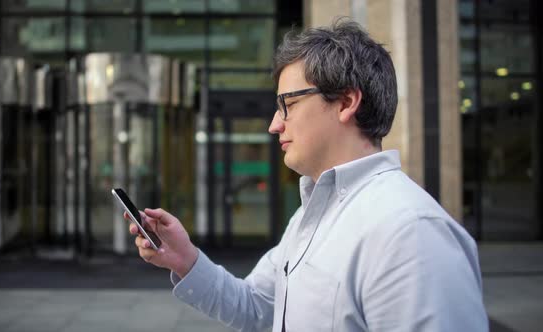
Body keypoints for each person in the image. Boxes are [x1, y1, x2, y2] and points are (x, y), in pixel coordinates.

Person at [126, 18, 489, 331]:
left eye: (289, 104)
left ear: (346, 102)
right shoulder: (311, 212)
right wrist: (184, 259)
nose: (273, 124)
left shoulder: (411, 233)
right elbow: (254, 307)